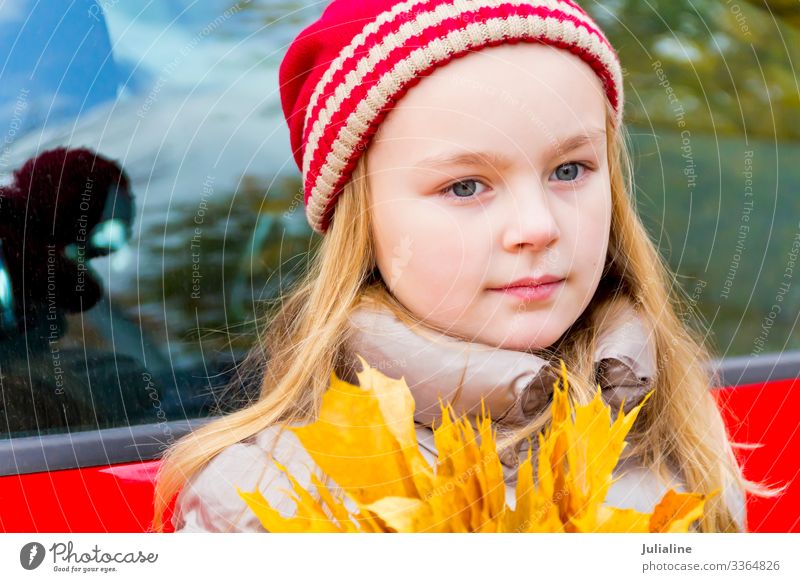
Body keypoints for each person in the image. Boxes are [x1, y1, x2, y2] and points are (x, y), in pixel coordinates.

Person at [154, 0, 762, 533]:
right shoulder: (269, 500)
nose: (538, 227)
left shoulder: (678, 434)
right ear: (363, 222)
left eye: (569, 170)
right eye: (466, 185)